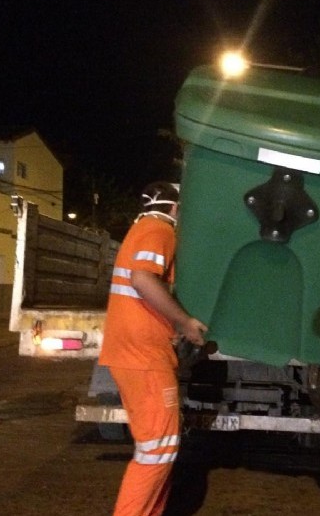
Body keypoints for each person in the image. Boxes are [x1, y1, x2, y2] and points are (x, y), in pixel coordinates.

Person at [98, 181, 208, 516]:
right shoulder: (159, 230)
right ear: (176, 208)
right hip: (142, 356)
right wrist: (185, 322)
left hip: (137, 352)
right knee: (159, 449)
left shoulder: (142, 227)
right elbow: (143, 279)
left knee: (157, 447)